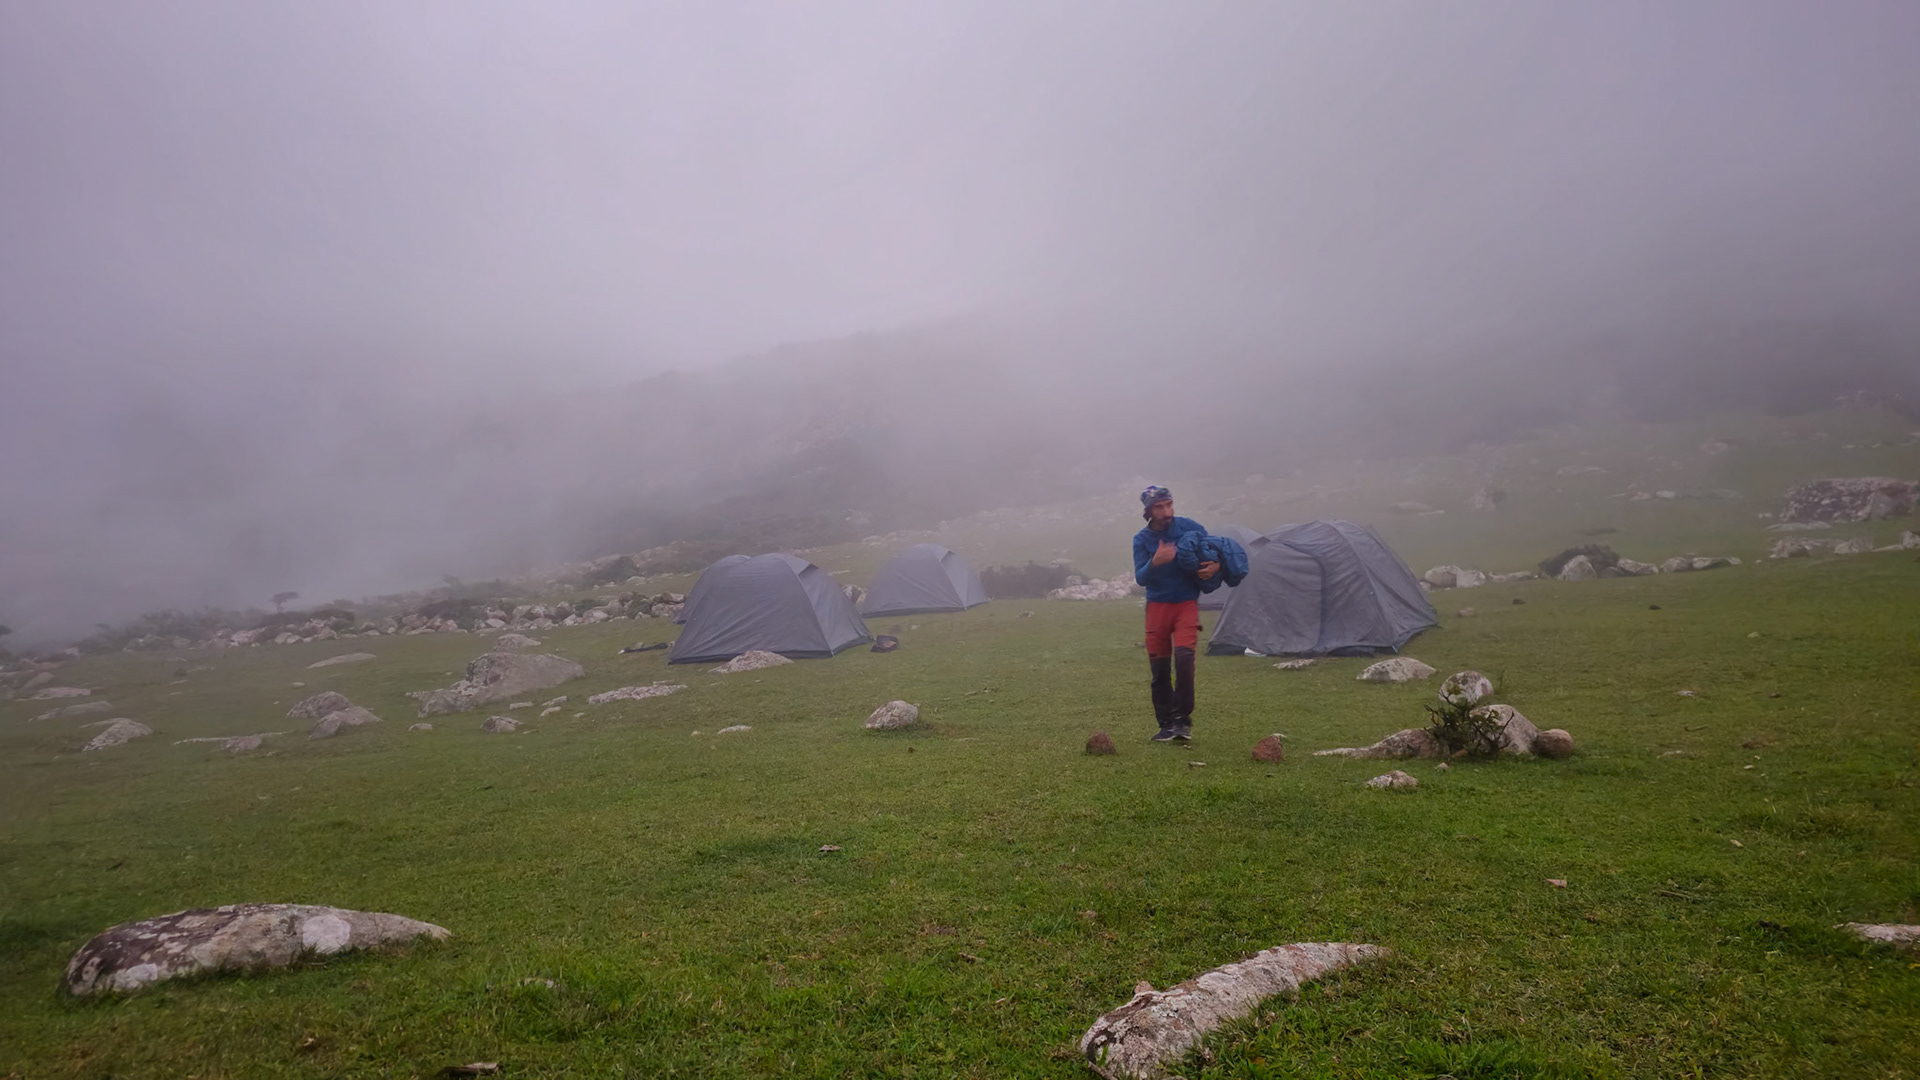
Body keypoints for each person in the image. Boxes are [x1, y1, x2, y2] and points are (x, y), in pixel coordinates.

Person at [1132, 486, 1217, 741]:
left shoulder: (1190, 527)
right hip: (1157, 607)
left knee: (1184, 660)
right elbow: (1140, 578)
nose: (1167, 511)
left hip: (1186, 604)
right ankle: (1166, 724)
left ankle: (1182, 721)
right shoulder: (1141, 540)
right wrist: (1155, 562)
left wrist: (1216, 565)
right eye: (1159, 507)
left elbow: (1214, 552)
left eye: (1169, 504)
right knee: (1159, 669)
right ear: (1148, 511)